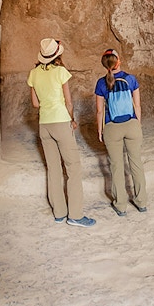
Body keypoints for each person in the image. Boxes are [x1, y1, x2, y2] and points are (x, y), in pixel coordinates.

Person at [27, 38, 96, 227]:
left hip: (44, 124)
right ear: (57, 55)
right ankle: (75, 215)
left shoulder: (33, 73)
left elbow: (35, 104)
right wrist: (72, 120)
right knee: (73, 168)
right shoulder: (60, 72)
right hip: (61, 121)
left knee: (54, 169)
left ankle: (59, 213)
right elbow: (69, 102)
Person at [95, 49, 147, 216]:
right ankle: (141, 202)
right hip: (131, 124)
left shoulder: (101, 83)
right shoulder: (131, 79)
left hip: (112, 127)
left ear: (105, 65)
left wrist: (100, 129)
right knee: (136, 163)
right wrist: (137, 124)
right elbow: (137, 106)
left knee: (117, 167)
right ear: (119, 62)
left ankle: (121, 206)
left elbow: (99, 111)